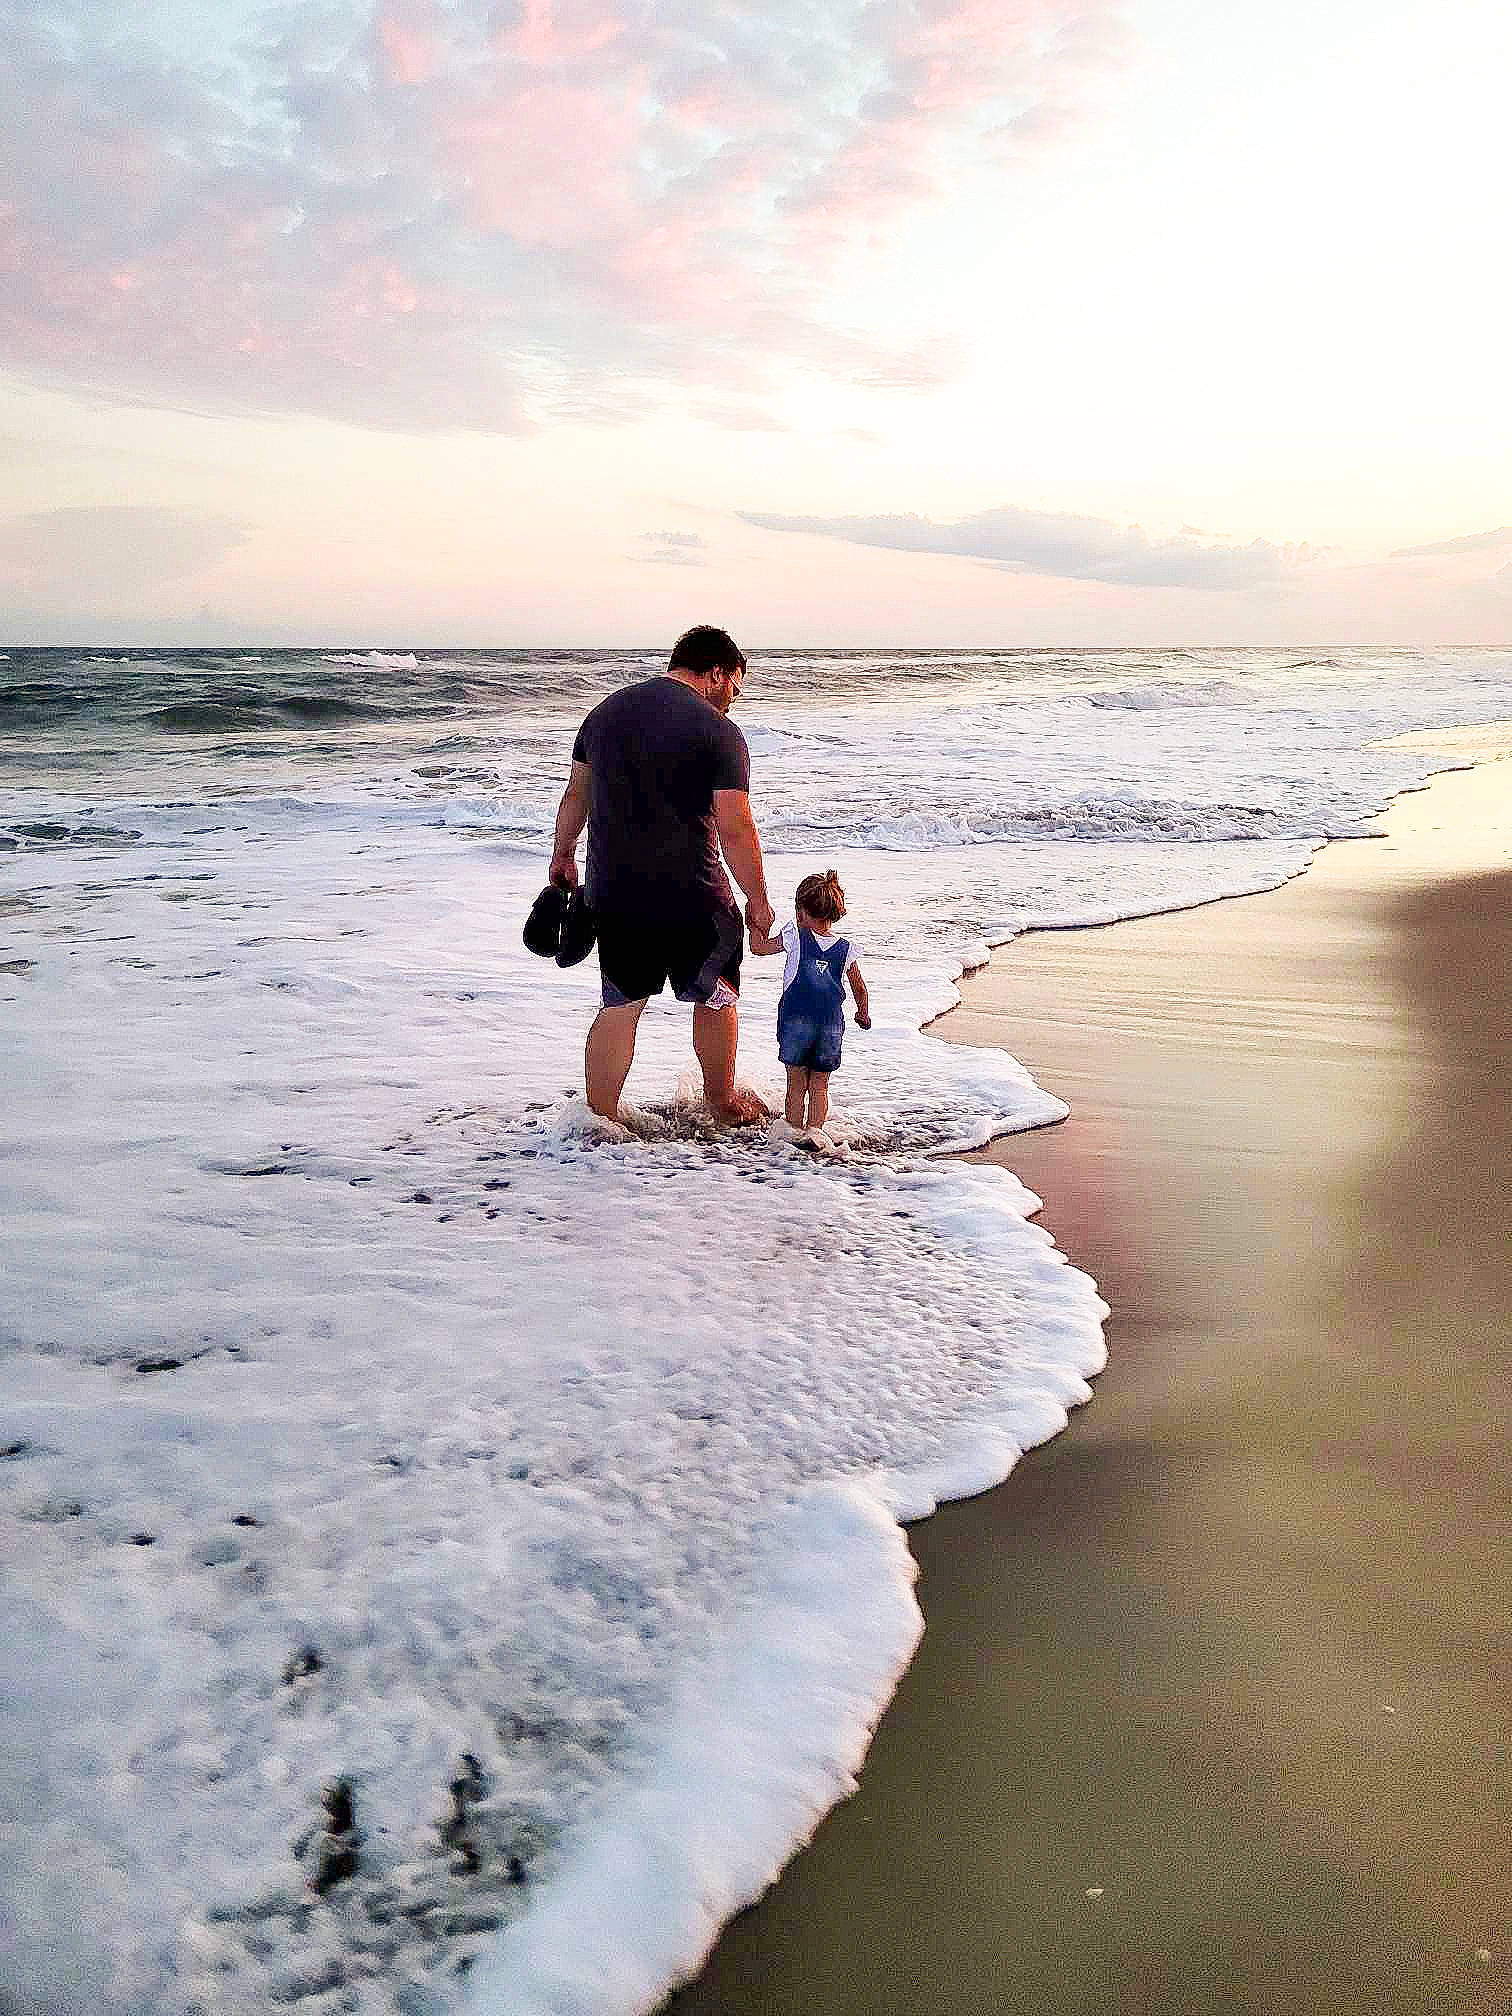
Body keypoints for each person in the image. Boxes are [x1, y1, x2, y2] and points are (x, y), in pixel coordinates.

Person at [548, 625, 776, 1126]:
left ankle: (598, 1119)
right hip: (693, 893)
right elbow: (737, 826)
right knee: (717, 996)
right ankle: (721, 1101)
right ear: (716, 672)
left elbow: (575, 796)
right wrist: (758, 899)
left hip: (615, 890)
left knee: (621, 1003)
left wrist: (563, 854)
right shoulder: (718, 731)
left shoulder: (604, 714)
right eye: (735, 686)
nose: (734, 700)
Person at [748, 868, 871, 1136]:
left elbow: (759, 948)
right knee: (819, 1086)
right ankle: (815, 1133)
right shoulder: (846, 949)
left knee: (795, 1084)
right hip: (830, 1028)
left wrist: (755, 925)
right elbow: (859, 989)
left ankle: (792, 1131)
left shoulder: (794, 936)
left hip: (795, 1023)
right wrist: (863, 1014)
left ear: (801, 911)